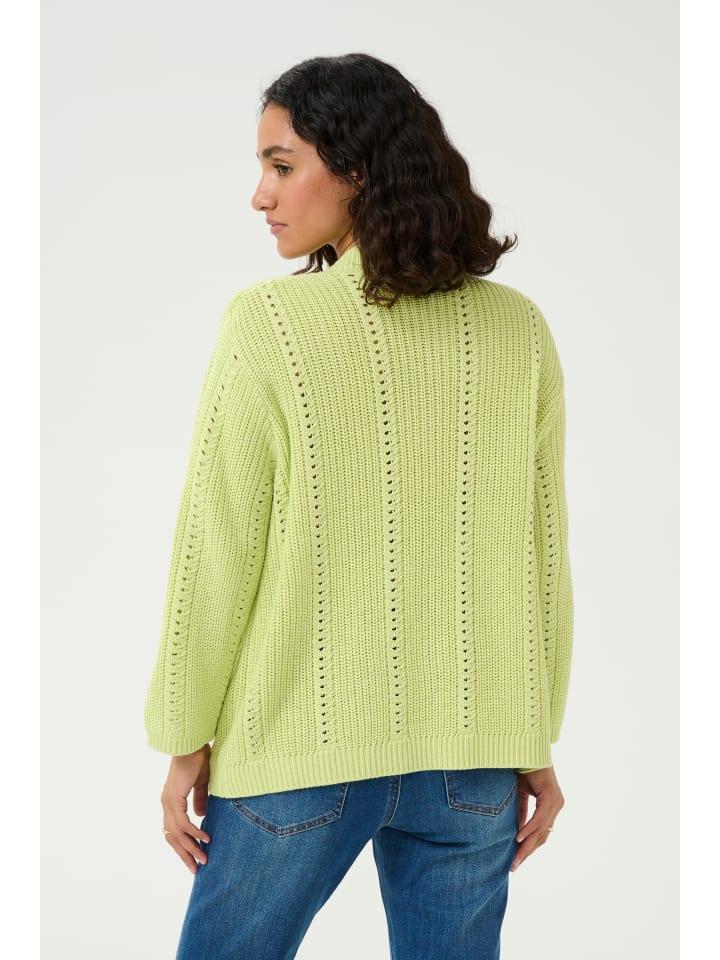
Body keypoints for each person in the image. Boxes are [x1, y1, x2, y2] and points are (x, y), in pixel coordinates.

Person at [144, 52, 573, 960]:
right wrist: (531, 735)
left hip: (299, 750)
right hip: (473, 762)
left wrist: (184, 737)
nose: (260, 196)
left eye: (281, 165)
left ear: (359, 170)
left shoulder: (270, 325)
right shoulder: (518, 330)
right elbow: (541, 559)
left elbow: (219, 548)